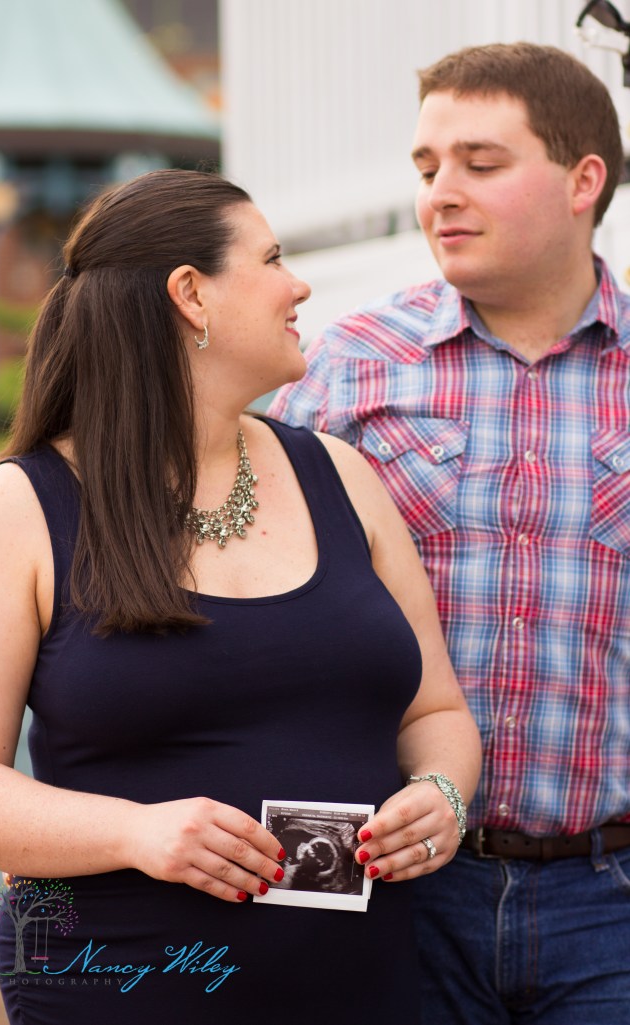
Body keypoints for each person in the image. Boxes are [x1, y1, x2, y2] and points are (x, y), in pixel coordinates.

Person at [0, 169, 480, 1025]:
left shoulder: (341, 475)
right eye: (272, 259)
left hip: (358, 986)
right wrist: (136, 831)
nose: (299, 282)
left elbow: (437, 711)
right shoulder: (18, 507)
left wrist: (444, 795)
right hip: (121, 984)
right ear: (190, 295)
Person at [270, 41, 630, 1025]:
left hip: (615, 903)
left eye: (481, 162)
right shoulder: (346, 365)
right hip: (393, 885)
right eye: (427, 168)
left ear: (582, 180)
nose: (441, 194)